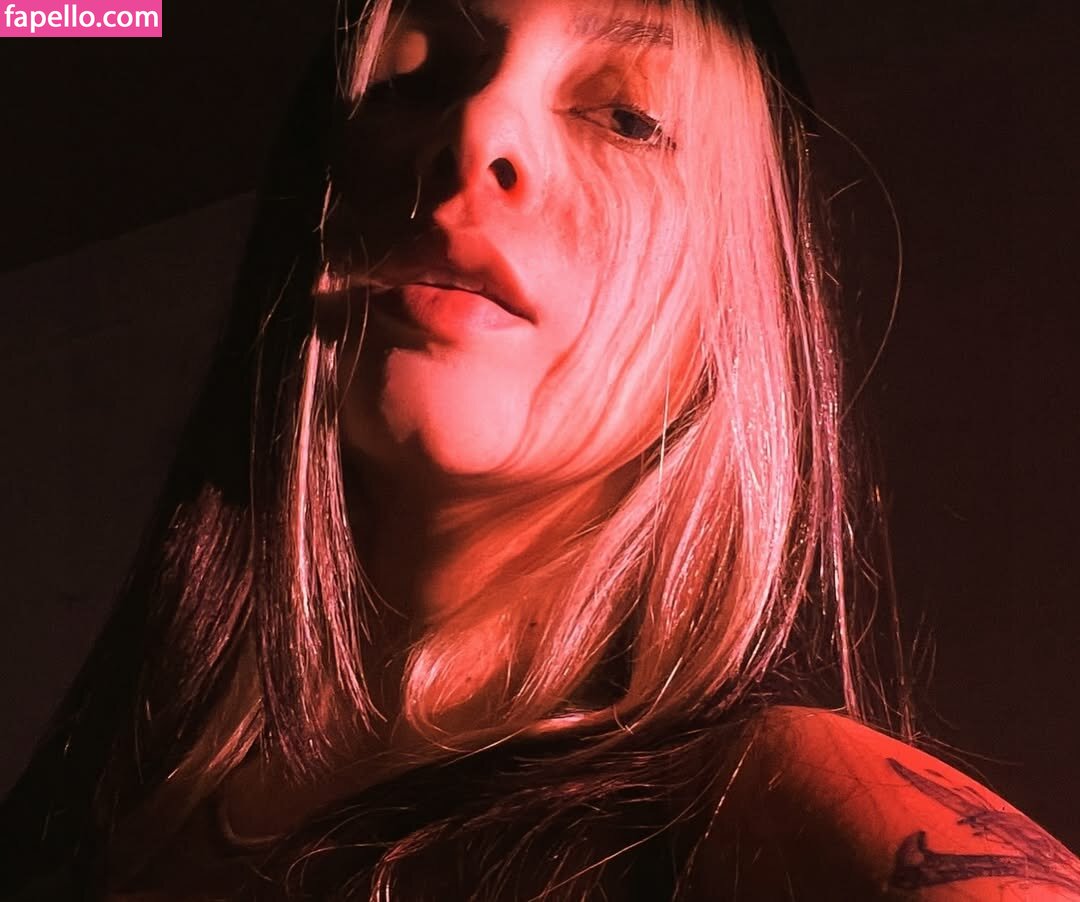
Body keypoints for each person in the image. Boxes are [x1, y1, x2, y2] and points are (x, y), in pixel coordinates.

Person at [3, 0, 1078, 899]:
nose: (475, 129)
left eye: (631, 116)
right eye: (413, 80)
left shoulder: (764, 808)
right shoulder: (78, 828)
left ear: (736, 318)